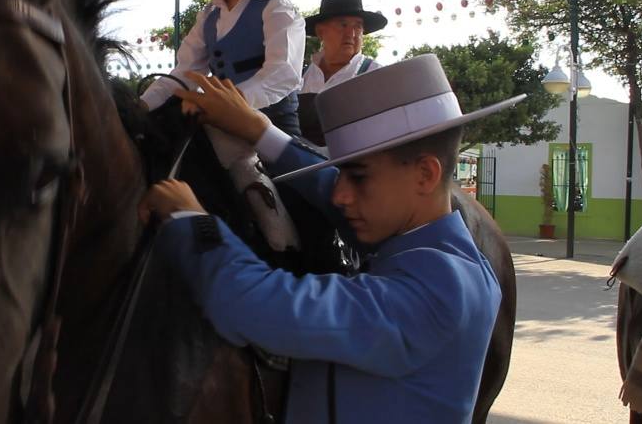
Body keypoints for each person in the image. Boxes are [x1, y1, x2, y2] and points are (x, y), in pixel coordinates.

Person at [139, 54, 526, 423]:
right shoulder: (428, 244)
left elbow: (256, 305)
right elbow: (327, 185)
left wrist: (190, 220)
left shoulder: (441, 291)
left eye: (357, 178)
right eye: (341, 175)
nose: (341, 194)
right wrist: (258, 130)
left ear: (424, 174)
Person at [139, 0, 305, 251]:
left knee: (237, 156)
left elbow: (283, 74)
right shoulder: (209, 14)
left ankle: (281, 239)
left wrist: (229, 103)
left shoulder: (278, 10)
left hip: (268, 121)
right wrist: (140, 107)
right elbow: (184, 70)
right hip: (217, 116)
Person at [299, 0, 387, 146]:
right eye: (343, 25)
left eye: (358, 26)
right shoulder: (299, 78)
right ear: (321, 31)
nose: (351, 34)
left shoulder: (377, 77)